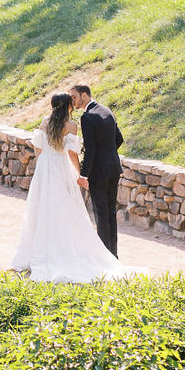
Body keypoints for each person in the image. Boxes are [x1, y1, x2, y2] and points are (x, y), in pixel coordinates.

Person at [9, 92, 129, 282]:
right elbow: (72, 154)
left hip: (45, 166)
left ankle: (39, 251)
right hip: (60, 166)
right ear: (68, 107)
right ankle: (65, 249)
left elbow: (38, 147)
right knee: (66, 208)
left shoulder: (44, 121)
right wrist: (81, 173)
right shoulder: (71, 125)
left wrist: (42, 166)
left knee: (42, 208)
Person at [71, 83, 123, 256]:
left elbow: (91, 149)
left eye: (74, 97)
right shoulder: (107, 111)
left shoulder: (87, 117)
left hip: (98, 172)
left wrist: (84, 174)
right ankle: (113, 253)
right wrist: (108, 155)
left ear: (84, 95)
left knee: (101, 213)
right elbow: (119, 139)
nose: (73, 101)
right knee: (111, 212)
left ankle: (104, 255)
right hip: (114, 168)